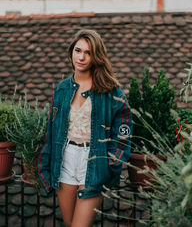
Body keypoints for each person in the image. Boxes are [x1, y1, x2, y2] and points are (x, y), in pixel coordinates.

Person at [38, 29, 133, 227]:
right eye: (77, 50)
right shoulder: (62, 89)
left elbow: (123, 131)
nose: (81, 57)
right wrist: (45, 165)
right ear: (71, 52)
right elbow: (52, 131)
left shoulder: (110, 90)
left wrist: (111, 163)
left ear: (96, 56)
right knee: (70, 223)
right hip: (65, 159)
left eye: (88, 53)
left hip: (94, 161)